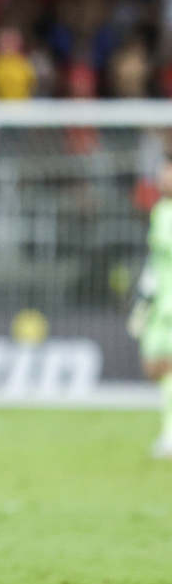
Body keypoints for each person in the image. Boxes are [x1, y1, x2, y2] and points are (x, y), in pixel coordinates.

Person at [128, 160, 172, 458]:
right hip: (161, 305)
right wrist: (144, 300)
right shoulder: (161, 212)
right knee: (155, 367)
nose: (163, 178)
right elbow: (155, 262)